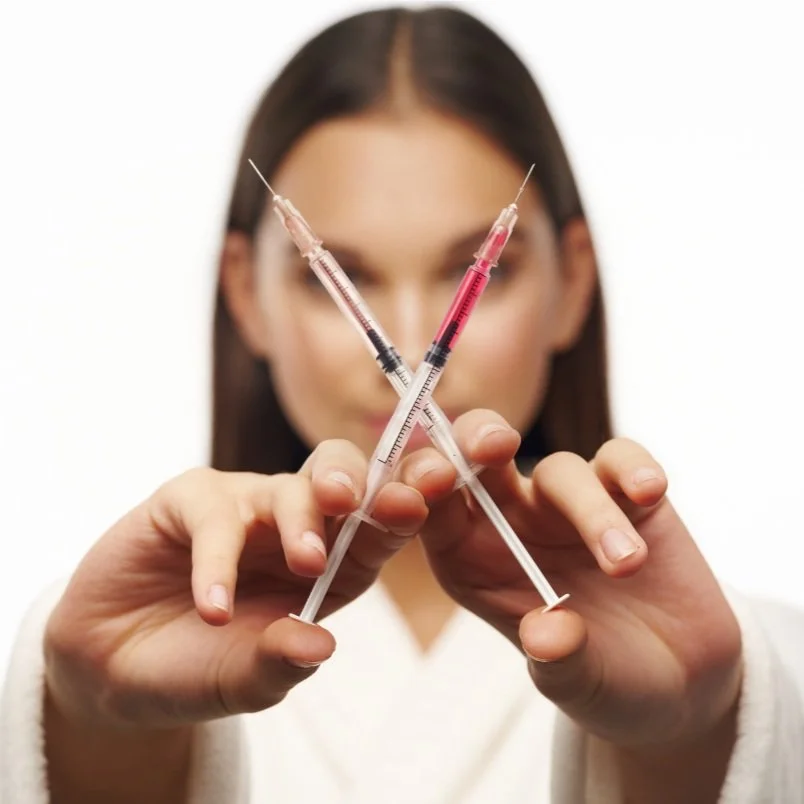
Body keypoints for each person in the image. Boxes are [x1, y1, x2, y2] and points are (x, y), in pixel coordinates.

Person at [2, 5, 803, 803]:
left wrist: (698, 732)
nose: (414, 349)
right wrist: (92, 725)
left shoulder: (747, 662)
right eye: (339, 277)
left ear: (573, 281)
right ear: (245, 293)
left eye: (479, 272)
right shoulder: (156, 632)